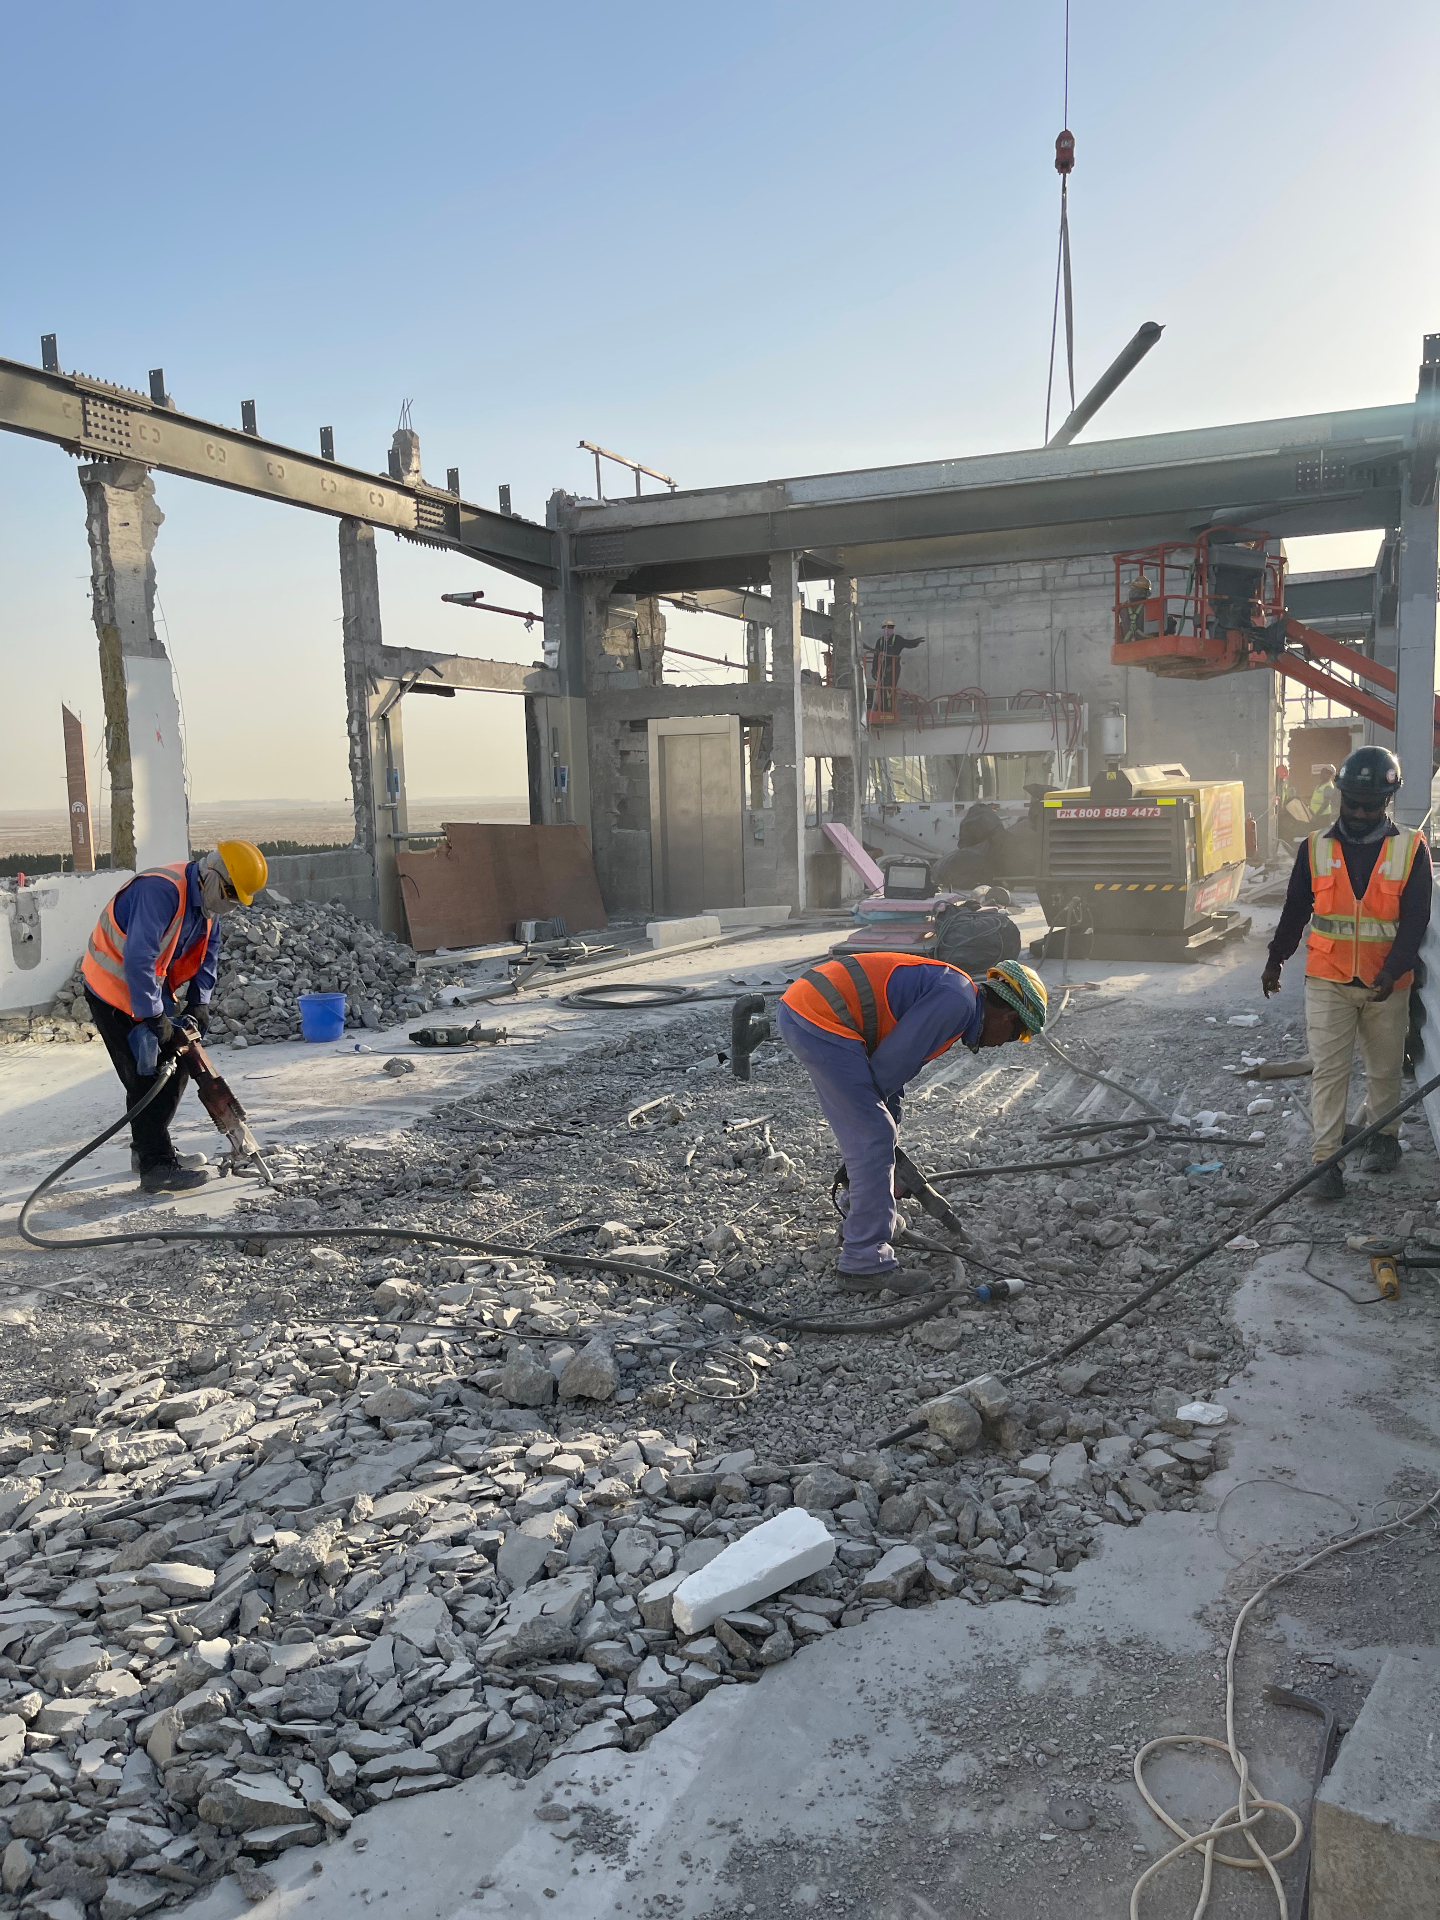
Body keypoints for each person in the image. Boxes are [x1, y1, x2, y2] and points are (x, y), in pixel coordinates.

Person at [776, 954, 1047, 1289]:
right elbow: (884, 1072)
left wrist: (884, 1164)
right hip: (821, 1016)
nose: (999, 1045)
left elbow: (891, 1079)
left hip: (811, 1009)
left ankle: (863, 1215)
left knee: (875, 1131)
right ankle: (864, 1261)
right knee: (874, 1134)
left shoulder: (956, 996)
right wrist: (879, 1156)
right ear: (1007, 1016)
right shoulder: (956, 1004)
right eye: (1010, 1037)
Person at [1261, 748, 1431, 1199]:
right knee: (1329, 1072)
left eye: (1369, 805)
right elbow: (1296, 908)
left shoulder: (1411, 848)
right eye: (1352, 802)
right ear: (1341, 796)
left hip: (1387, 983)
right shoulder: (1314, 847)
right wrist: (1276, 958)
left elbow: (1415, 921)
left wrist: (1393, 971)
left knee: (1384, 1070)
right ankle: (1325, 1163)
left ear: (1387, 800)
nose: (1358, 812)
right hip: (1327, 977)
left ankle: (1385, 1138)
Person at [81, 841, 268, 1192]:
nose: (229, 905)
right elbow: (139, 960)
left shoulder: (206, 904)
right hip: (112, 986)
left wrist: (200, 1002)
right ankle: (155, 1165)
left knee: (178, 1060)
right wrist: (156, 1017)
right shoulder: (160, 891)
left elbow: (207, 955)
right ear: (212, 874)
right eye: (229, 893)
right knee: (147, 1074)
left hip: (148, 987)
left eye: (236, 899)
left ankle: (150, 1150)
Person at [867, 619, 925, 719]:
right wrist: (874, 669)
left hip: (893, 669)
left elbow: (908, 643)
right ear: (883, 629)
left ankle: (889, 710)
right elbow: (876, 656)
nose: (889, 630)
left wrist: (916, 642)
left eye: (891, 628)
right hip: (882, 669)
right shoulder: (880, 642)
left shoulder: (897, 639)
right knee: (882, 689)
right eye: (887, 628)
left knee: (889, 689)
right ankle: (882, 709)